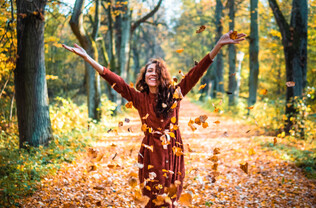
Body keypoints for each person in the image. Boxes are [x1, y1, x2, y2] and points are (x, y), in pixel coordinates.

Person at [62, 30, 246, 207]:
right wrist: (88, 58)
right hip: (150, 152)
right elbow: (116, 81)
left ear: (162, 76)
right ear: (145, 75)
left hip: (173, 148)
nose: (152, 74)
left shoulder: (175, 94)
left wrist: (218, 45)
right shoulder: (139, 98)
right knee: (151, 197)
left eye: (157, 71)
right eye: (149, 71)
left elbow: (195, 73)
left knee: (170, 197)